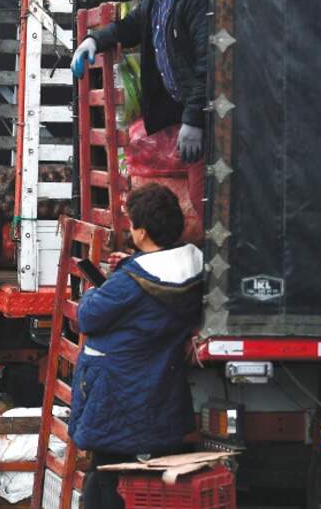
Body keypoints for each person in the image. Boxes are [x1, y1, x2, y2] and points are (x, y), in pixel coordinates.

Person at [69, 183, 202, 509]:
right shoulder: (193, 268)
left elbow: (88, 316)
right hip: (159, 394)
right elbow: (155, 279)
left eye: (131, 225)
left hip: (118, 400)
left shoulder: (127, 284)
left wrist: (96, 289)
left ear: (141, 233)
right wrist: (133, 263)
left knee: (107, 482)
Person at [71, 0, 208, 212]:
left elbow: (208, 64)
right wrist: (93, 41)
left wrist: (195, 119)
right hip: (180, 116)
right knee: (193, 201)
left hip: (208, 121)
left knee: (204, 200)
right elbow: (129, 26)